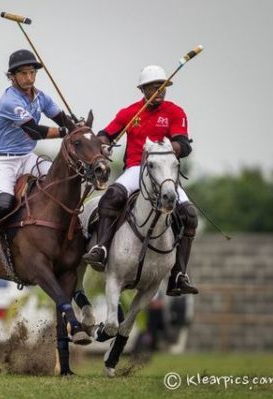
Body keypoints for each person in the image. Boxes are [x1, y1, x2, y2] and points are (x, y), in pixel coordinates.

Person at [0, 49, 77, 266]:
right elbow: (34, 131)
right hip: (3, 160)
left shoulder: (40, 96)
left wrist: (77, 127)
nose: (29, 77)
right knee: (3, 203)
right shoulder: (10, 101)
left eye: (31, 73)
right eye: (23, 73)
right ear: (13, 76)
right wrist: (67, 133)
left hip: (27, 156)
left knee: (61, 180)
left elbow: (60, 117)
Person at [82, 65, 199, 296]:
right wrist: (103, 144)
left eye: (163, 87)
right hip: (136, 168)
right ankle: (102, 248)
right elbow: (106, 134)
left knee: (190, 215)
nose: (160, 91)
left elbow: (183, 145)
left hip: (163, 171)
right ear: (144, 89)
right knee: (112, 196)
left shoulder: (174, 112)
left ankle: (178, 274)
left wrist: (167, 147)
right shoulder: (130, 112)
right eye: (155, 87)